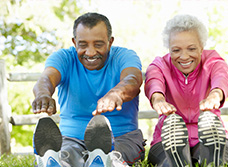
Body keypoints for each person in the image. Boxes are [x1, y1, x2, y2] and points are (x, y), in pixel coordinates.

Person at [32, 12, 145, 167]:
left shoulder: (125, 56)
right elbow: (47, 78)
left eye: (98, 45)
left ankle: (105, 160)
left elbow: (133, 80)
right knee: (67, 154)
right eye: (83, 45)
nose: (90, 52)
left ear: (110, 42)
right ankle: (55, 160)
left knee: (114, 156)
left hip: (122, 137)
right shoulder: (64, 57)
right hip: (71, 138)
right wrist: (43, 93)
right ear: (74, 42)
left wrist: (117, 93)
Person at [144, 14, 228, 167]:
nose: (184, 56)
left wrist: (215, 94)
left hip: (208, 134)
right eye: (176, 50)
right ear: (169, 49)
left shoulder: (212, 61)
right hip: (167, 138)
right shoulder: (160, 65)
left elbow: (221, 77)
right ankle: (176, 159)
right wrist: (158, 99)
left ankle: (214, 157)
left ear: (202, 47)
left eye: (191, 49)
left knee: (220, 155)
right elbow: (153, 81)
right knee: (165, 160)